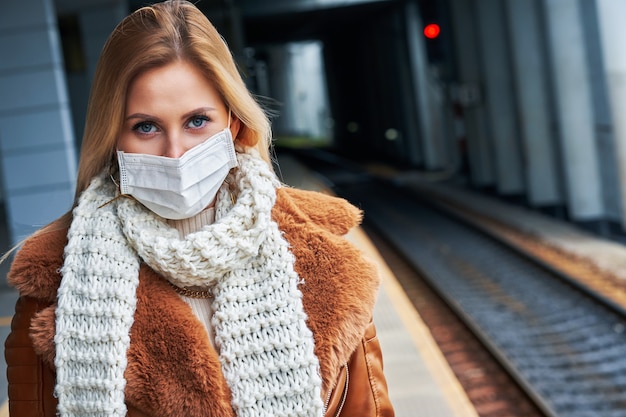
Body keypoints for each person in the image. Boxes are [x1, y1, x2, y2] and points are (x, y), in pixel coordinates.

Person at [4, 1, 394, 416]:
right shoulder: (55, 282)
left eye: (196, 121)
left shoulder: (325, 259)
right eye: (146, 127)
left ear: (234, 123)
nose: (175, 153)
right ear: (114, 139)